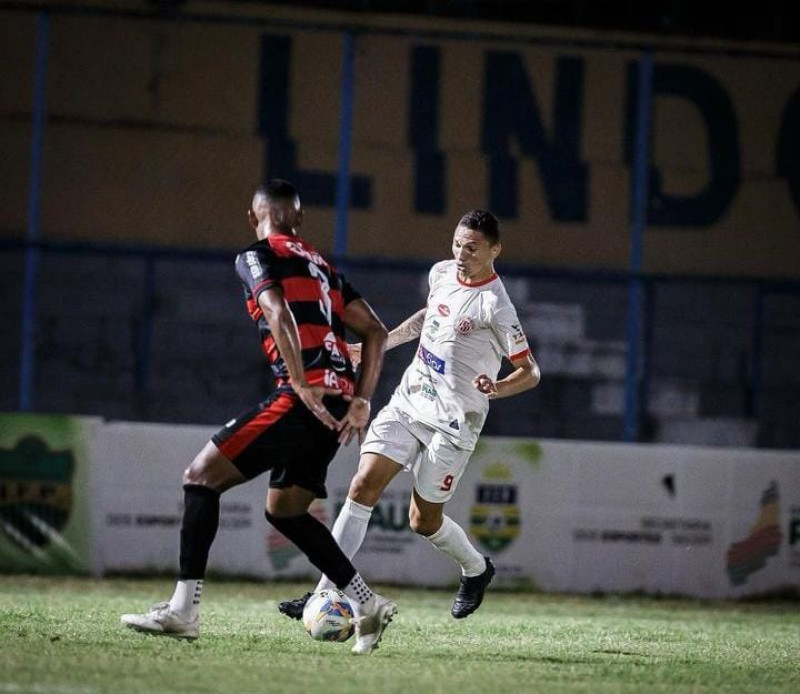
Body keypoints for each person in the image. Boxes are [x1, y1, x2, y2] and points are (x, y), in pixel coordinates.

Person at [121, 180, 397, 655]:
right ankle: (367, 604)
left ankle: (184, 611)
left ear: (254, 217)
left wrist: (299, 381)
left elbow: (276, 310)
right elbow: (376, 329)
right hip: (337, 401)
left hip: (304, 397)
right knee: (285, 509)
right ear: (300, 218)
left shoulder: (255, 255)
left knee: (200, 477)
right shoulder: (325, 268)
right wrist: (362, 399)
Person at [278, 209, 540, 621]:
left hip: (454, 421)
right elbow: (428, 316)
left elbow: (531, 371)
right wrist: (374, 348)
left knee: (423, 520)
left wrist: (498, 387)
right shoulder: (441, 274)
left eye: (471, 248)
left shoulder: (495, 306)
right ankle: (323, 595)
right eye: (456, 243)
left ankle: (476, 569)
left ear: (495, 250)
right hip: (410, 400)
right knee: (362, 485)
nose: (460, 254)